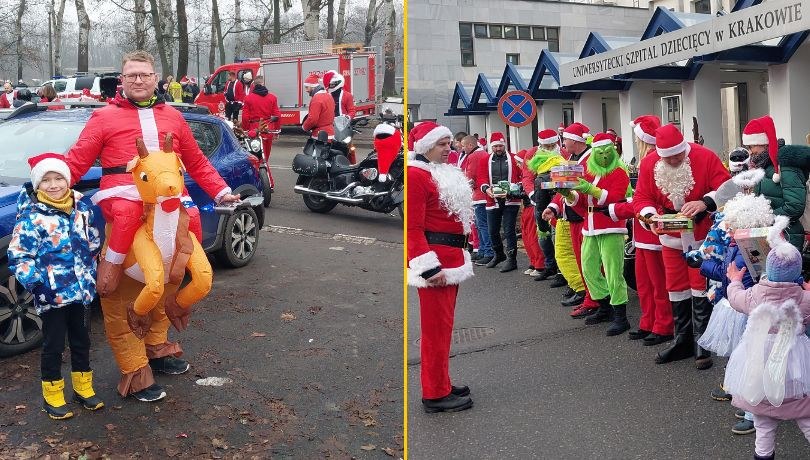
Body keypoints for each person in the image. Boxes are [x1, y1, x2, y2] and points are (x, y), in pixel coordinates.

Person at [64, 50, 240, 401]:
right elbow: (77, 160)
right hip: (125, 200)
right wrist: (52, 182)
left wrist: (221, 191)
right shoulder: (103, 118)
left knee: (173, 276)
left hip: (170, 203)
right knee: (124, 295)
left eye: (144, 74)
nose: (138, 80)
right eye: (131, 75)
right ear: (122, 80)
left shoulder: (173, 116)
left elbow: (196, 161)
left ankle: (157, 346)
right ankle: (134, 366)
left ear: (156, 77)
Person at [8, 153, 104, 420]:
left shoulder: (81, 209)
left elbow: (92, 241)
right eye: (46, 180)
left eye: (58, 178)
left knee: (82, 341)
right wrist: (37, 285)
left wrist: (91, 269)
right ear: (37, 186)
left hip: (81, 291)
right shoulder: (31, 218)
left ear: (68, 180)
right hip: (52, 295)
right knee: (53, 345)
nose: (53, 185)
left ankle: (83, 389)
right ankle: (53, 396)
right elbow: (19, 257)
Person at [634, 123, 730, 369]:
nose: (674, 160)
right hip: (669, 235)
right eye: (668, 157)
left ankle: (702, 342)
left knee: (700, 284)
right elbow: (642, 198)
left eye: (678, 155)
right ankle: (683, 340)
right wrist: (649, 218)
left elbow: (727, 188)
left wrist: (705, 201)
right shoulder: (649, 164)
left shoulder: (704, 156)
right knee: (675, 286)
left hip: (701, 235)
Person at [724, 216, 810, 459]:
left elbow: (735, 299)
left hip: (758, 366)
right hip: (795, 367)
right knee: (805, 414)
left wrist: (735, 281)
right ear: (797, 273)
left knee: (763, 427)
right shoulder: (803, 300)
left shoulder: (754, 295)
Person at [407, 121, 475, 413]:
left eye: (450, 143)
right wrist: (428, 267)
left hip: (450, 260)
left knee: (443, 329)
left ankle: (441, 382)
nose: (450, 148)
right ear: (426, 147)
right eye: (442, 144)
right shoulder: (416, 176)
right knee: (435, 332)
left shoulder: (438, 172)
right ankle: (434, 394)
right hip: (436, 264)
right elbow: (412, 227)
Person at [610, 115, 674, 345]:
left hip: (654, 231)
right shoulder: (646, 161)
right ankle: (648, 321)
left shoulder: (657, 162)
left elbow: (655, 200)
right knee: (644, 283)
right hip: (643, 233)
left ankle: (664, 325)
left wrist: (617, 208)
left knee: (659, 284)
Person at [572, 133, 631, 336]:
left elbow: (615, 198)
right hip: (590, 226)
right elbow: (580, 199)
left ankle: (621, 316)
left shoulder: (619, 172)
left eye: (607, 152)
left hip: (610, 225)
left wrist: (592, 190)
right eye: (600, 152)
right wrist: (568, 195)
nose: (604, 156)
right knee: (589, 269)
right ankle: (604, 306)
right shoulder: (589, 172)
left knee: (614, 272)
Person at [543, 122, 600, 314]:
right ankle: (590, 298)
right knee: (581, 261)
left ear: (575, 141)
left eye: (566, 138)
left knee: (589, 263)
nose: (563, 142)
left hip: (586, 217)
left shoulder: (591, 160)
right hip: (574, 217)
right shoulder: (573, 158)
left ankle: (595, 300)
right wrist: (553, 206)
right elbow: (564, 189)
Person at [741, 115, 806, 250]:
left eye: (751, 146)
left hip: (786, 236)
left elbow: (795, 206)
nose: (750, 151)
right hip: (773, 234)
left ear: (763, 143)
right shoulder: (764, 164)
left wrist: (765, 218)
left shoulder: (785, 166)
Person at [473, 132, 522, 272]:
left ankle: (512, 259)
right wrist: (486, 189)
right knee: (492, 230)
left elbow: (521, 175)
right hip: (491, 199)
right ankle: (499, 254)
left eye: (500, 146)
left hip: (510, 199)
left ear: (504, 145)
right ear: (491, 147)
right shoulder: (485, 160)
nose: (498, 149)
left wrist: (515, 187)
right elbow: (481, 178)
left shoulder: (513, 159)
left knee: (509, 230)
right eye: (495, 147)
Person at [527, 129, 565, 282]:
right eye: (546, 146)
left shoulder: (564, 154)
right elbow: (527, 177)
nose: (549, 149)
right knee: (543, 236)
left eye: (551, 146)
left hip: (557, 200)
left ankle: (561, 272)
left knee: (558, 238)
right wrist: (532, 195)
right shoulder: (532, 154)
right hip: (539, 199)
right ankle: (549, 265)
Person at [241, 75, 281, 186]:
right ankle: (268, 182)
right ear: (263, 84)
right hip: (268, 128)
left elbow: (245, 117)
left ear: (254, 85)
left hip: (254, 129)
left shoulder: (248, 98)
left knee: (254, 157)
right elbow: (277, 115)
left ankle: (259, 182)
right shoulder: (272, 97)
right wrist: (277, 130)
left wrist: (245, 130)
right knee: (265, 158)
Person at [460, 135, 492, 266]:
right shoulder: (484, 154)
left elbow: (471, 178)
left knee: (482, 226)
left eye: (463, 146)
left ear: (470, 145)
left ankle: (487, 252)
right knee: (483, 225)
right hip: (485, 195)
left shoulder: (473, 157)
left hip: (478, 196)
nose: (462, 149)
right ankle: (484, 251)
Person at [516, 146, 545, 277]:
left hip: (531, 206)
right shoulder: (524, 174)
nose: (517, 165)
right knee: (527, 237)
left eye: (518, 162)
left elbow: (532, 187)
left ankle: (540, 265)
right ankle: (533, 262)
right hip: (527, 207)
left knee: (533, 236)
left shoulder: (532, 173)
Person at [301, 74, 335, 139]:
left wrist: (304, 127)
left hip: (320, 135)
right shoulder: (328, 95)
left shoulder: (316, 98)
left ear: (313, 86)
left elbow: (312, 119)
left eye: (307, 87)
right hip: (330, 133)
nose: (306, 90)